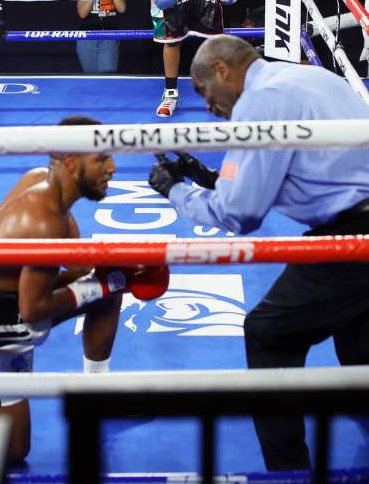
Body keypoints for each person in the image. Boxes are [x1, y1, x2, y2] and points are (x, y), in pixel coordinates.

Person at [148, 35, 369, 471]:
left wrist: (176, 191)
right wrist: (206, 177)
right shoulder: (305, 76)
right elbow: (284, 172)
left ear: (222, 71)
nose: (207, 105)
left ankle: (287, 471)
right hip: (357, 226)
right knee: (358, 340)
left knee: (269, 333)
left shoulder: (259, 102)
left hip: (353, 236)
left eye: (203, 91)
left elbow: (242, 213)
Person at [0, 116, 169, 463]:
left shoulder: (44, 182)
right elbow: (34, 309)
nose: (113, 167)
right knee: (10, 452)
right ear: (71, 163)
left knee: (107, 294)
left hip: (9, 305)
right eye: (101, 158)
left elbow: (70, 256)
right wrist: (109, 279)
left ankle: (95, 392)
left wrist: (104, 270)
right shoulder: (42, 222)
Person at [76, 0, 126, 73]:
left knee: (107, 77)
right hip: (87, 37)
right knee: (90, 77)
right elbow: (82, 14)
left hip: (109, 36)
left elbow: (122, 8)